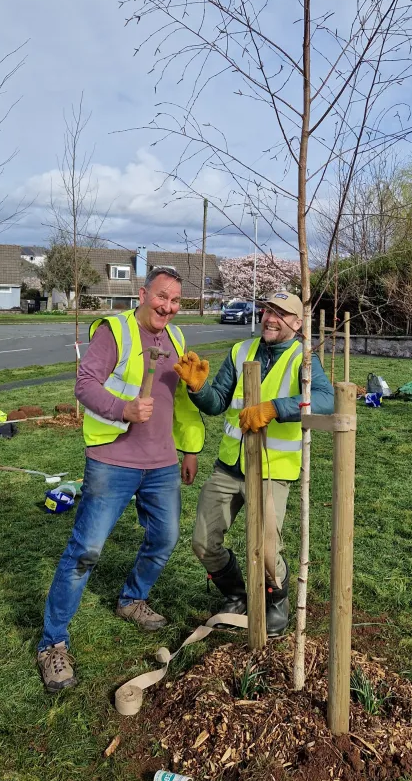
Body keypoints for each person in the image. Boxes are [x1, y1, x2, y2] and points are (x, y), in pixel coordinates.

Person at [37, 266, 205, 693]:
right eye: (162, 297)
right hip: (113, 460)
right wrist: (122, 409)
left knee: (164, 538)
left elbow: (181, 401)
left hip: (162, 463)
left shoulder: (177, 338)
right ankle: (52, 643)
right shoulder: (114, 331)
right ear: (142, 293)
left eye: (175, 301)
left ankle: (132, 598)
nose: (168, 306)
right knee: (87, 549)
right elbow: (84, 383)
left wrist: (190, 447)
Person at [175, 291, 334, 638]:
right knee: (203, 542)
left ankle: (275, 598)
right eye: (267, 311)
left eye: (280, 313)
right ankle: (235, 594)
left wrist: (276, 408)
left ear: (297, 322)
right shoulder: (241, 351)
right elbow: (217, 402)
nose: (269, 318)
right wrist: (198, 388)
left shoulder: (303, 358)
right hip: (230, 466)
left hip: (272, 469)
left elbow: (326, 398)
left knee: (266, 549)